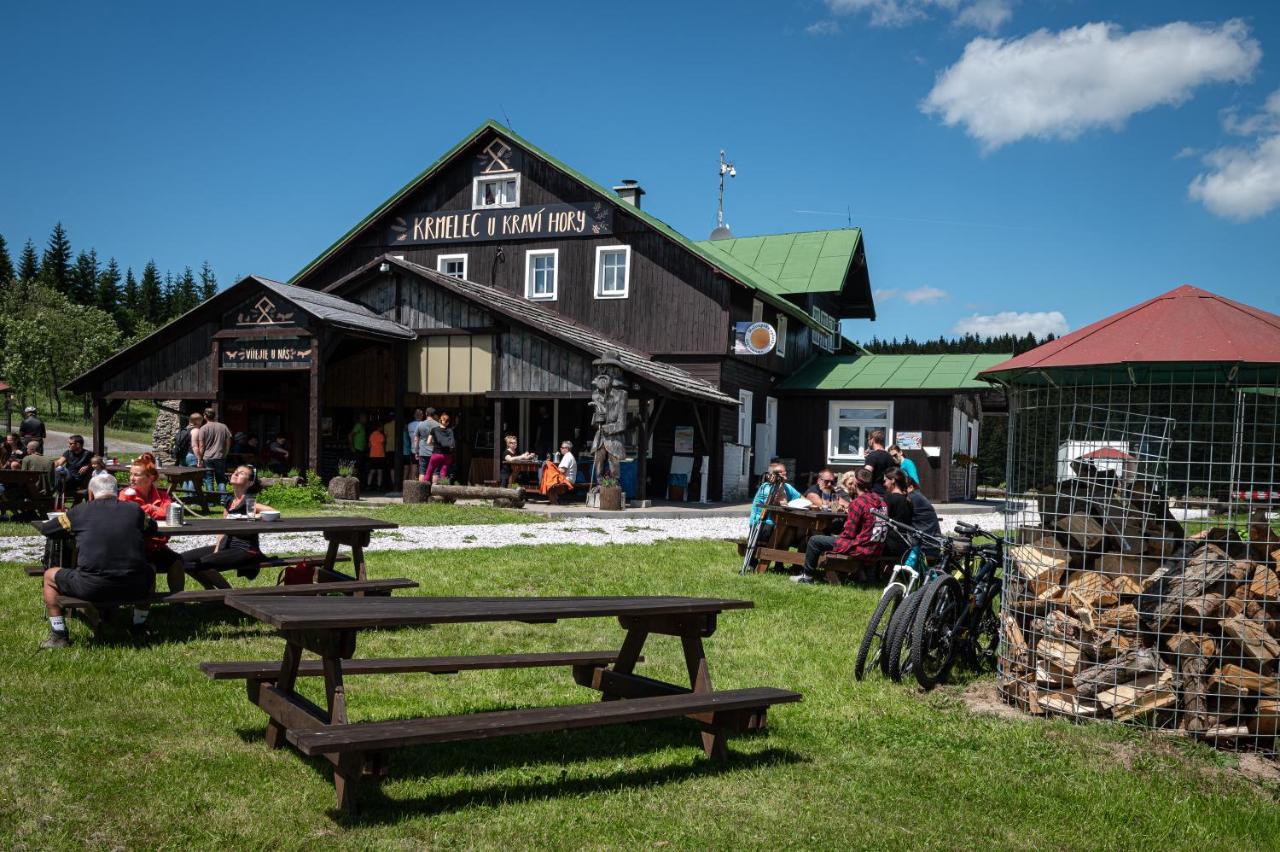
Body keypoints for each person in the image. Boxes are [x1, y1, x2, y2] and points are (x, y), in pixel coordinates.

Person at [38, 475, 156, 648]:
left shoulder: (79, 511)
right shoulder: (135, 510)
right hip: (135, 586)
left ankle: (59, 634)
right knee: (150, 569)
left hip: (92, 587)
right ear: (117, 492)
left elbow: (47, 529)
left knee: (49, 575)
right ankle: (139, 626)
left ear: (91, 493)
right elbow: (152, 528)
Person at [180, 465, 275, 589]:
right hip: (227, 546)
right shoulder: (229, 501)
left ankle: (227, 593)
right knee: (181, 560)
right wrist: (217, 548)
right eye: (235, 471)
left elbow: (273, 511)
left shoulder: (249, 502)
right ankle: (211, 591)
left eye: (241, 473)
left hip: (246, 550)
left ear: (250, 482)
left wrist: (255, 516)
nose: (235, 474)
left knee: (203, 564)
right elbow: (222, 529)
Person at [795, 466, 888, 584]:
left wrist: (836, 538)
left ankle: (807, 577)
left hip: (861, 548)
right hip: (877, 548)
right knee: (828, 537)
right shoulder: (881, 501)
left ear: (855, 482)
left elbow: (849, 534)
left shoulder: (858, 502)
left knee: (814, 540)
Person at [118, 452, 186, 593]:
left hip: (156, 546)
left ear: (151, 478)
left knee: (177, 562)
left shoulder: (162, 495)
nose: (131, 478)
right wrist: (152, 508)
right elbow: (133, 514)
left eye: (136, 475)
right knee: (150, 568)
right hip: (134, 548)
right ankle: (144, 609)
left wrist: (147, 510)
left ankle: (178, 603)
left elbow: (168, 513)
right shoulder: (125, 494)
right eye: (131, 474)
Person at [749, 459, 803, 528]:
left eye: (783, 473)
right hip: (762, 524)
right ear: (769, 476)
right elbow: (781, 505)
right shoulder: (765, 488)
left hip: (776, 522)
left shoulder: (787, 486)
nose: (781, 475)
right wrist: (781, 487)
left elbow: (802, 498)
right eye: (778, 473)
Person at [881, 467, 916, 562]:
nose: (884, 484)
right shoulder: (908, 500)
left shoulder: (889, 499)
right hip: (904, 544)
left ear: (892, 480)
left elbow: (880, 522)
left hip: (890, 544)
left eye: (885, 481)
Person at [197, 408, 233, 492]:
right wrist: (225, 453)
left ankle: (211, 500)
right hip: (220, 456)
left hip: (207, 457)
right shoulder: (223, 426)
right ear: (214, 416)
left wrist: (199, 459)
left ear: (205, 416)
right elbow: (228, 442)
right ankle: (223, 500)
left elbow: (201, 446)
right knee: (221, 479)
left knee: (209, 479)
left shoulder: (203, 428)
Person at [907, 476, 942, 560]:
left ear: (911, 487)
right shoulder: (917, 495)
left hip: (926, 546)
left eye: (902, 488)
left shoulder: (913, 497)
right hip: (932, 542)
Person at [53, 434, 93, 504]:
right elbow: (59, 462)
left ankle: (51, 488)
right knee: (59, 469)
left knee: (60, 469)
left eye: (71, 444)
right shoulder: (68, 453)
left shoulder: (88, 454)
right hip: (67, 479)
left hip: (76, 480)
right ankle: (54, 487)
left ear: (78, 444)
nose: (69, 445)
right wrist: (48, 465)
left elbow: (99, 462)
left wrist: (88, 466)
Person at [540, 440, 577, 505]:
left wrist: (553, 468)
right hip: (566, 479)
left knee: (549, 485)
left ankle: (555, 504)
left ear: (567, 449)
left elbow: (562, 470)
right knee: (549, 480)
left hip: (567, 480)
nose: (560, 449)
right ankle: (555, 501)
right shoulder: (568, 456)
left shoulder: (567, 457)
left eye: (562, 447)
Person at [422, 412, 455, 483]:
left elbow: (428, 442)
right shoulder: (450, 430)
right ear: (448, 422)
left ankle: (423, 489)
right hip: (446, 455)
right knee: (443, 472)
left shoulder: (434, 429)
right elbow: (452, 444)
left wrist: (434, 444)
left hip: (435, 454)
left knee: (429, 471)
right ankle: (441, 491)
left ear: (440, 420)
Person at [863, 430, 893, 496]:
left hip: (875, 494)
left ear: (872, 440)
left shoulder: (872, 456)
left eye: (868, 439)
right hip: (887, 493)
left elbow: (865, 475)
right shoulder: (890, 456)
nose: (868, 442)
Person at [414, 408, 440, 481]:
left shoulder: (421, 424)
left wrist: (416, 451)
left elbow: (416, 439)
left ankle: (422, 490)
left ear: (426, 414)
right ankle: (435, 491)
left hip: (423, 452)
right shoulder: (438, 425)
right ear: (434, 415)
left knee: (422, 471)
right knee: (435, 472)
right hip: (435, 452)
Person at [404, 408, 423, 483]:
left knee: (414, 467)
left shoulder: (409, 425)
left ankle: (412, 484)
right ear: (422, 415)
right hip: (422, 449)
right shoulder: (423, 424)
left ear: (414, 415)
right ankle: (421, 484)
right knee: (422, 468)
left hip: (413, 448)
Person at [367, 419, 387, 490]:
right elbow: (383, 444)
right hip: (380, 455)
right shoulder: (381, 435)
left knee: (372, 471)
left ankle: (368, 485)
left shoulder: (371, 435)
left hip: (372, 455)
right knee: (379, 471)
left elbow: (369, 445)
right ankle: (379, 486)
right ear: (379, 427)